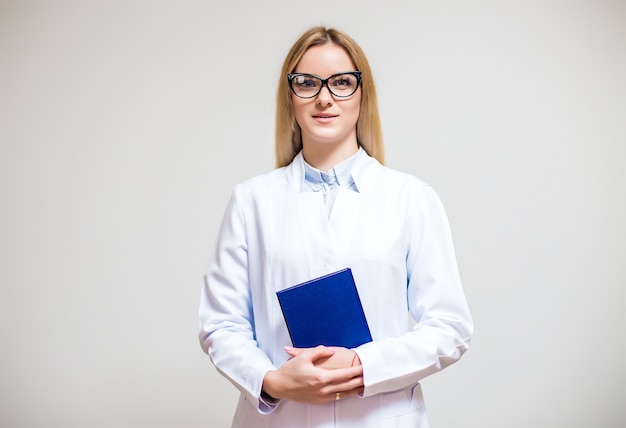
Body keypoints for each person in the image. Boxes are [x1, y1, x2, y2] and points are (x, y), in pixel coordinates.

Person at [199, 26, 473, 427]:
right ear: (289, 96)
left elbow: (450, 326)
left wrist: (364, 365)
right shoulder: (251, 201)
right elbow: (221, 324)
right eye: (307, 83)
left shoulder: (411, 198)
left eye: (342, 82)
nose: (324, 97)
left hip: (379, 416)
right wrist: (273, 381)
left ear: (363, 94)